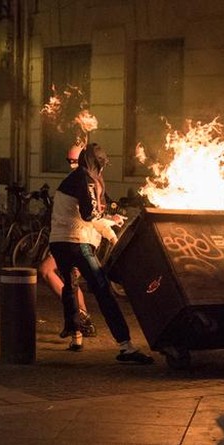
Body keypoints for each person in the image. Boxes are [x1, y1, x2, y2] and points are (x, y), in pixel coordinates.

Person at [48, 143, 152, 363]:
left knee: (70, 286)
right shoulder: (85, 179)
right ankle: (126, 346)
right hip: (77, 242)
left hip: (58, 242)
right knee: (103, 290)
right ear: (97, 164)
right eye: (102, 165)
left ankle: (75, 335)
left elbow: (83, 214)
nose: (102, 170)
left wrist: (109, 230)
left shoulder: (72, 178)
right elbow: (90, 215)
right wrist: (111, 221)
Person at [39, 147, 95, 338]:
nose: (71, 165)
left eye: (75, 161)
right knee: (59, 275)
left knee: (59, 275)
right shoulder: (75, 179)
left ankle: (81, 321)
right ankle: (81, 320)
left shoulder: (86, 180)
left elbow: (91, 212)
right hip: (68, 237)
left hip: (80, 238)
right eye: (68, 161)